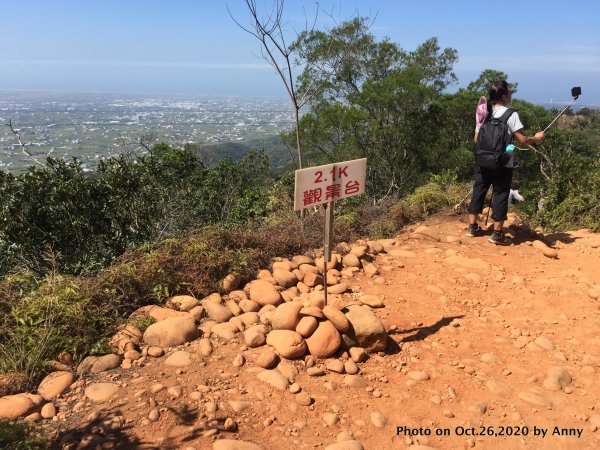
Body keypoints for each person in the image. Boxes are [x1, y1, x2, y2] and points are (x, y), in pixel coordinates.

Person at [466, 80, 544, 245]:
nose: (510, 95)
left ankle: (472, 228)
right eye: (509, 92)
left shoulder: (484, 113)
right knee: (501, 194)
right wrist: (536, 138)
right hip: (502, 163)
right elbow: (522, 140)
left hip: (482, 160)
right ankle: (497, 234)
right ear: (503, 96)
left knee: (479, 190)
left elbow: (476, 139)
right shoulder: (511, 114)